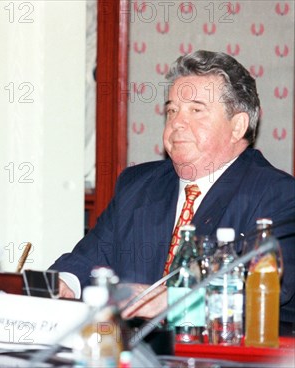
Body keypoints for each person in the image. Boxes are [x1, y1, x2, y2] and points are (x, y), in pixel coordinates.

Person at [50, 50, 295, 333]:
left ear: (237, 126)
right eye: (172, 110)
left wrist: (173, 301)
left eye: (196, 110)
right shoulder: (137, 185)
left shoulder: (277, 195)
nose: (177, 122)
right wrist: (63, 283)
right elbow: (88, 260)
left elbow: (264, 292)